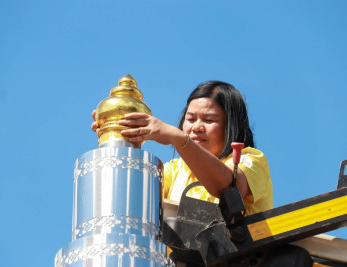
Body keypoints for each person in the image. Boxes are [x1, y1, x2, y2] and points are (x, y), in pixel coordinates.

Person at [92, 81, 273, 215]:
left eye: (209, 120)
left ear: (231, 125)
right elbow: (128, 200)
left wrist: (178, 139)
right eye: (191, 119)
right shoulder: (175, 170)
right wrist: (117, 137)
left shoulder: (251, 159)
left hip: (232, 264)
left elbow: (228, 187)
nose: (196, 127)